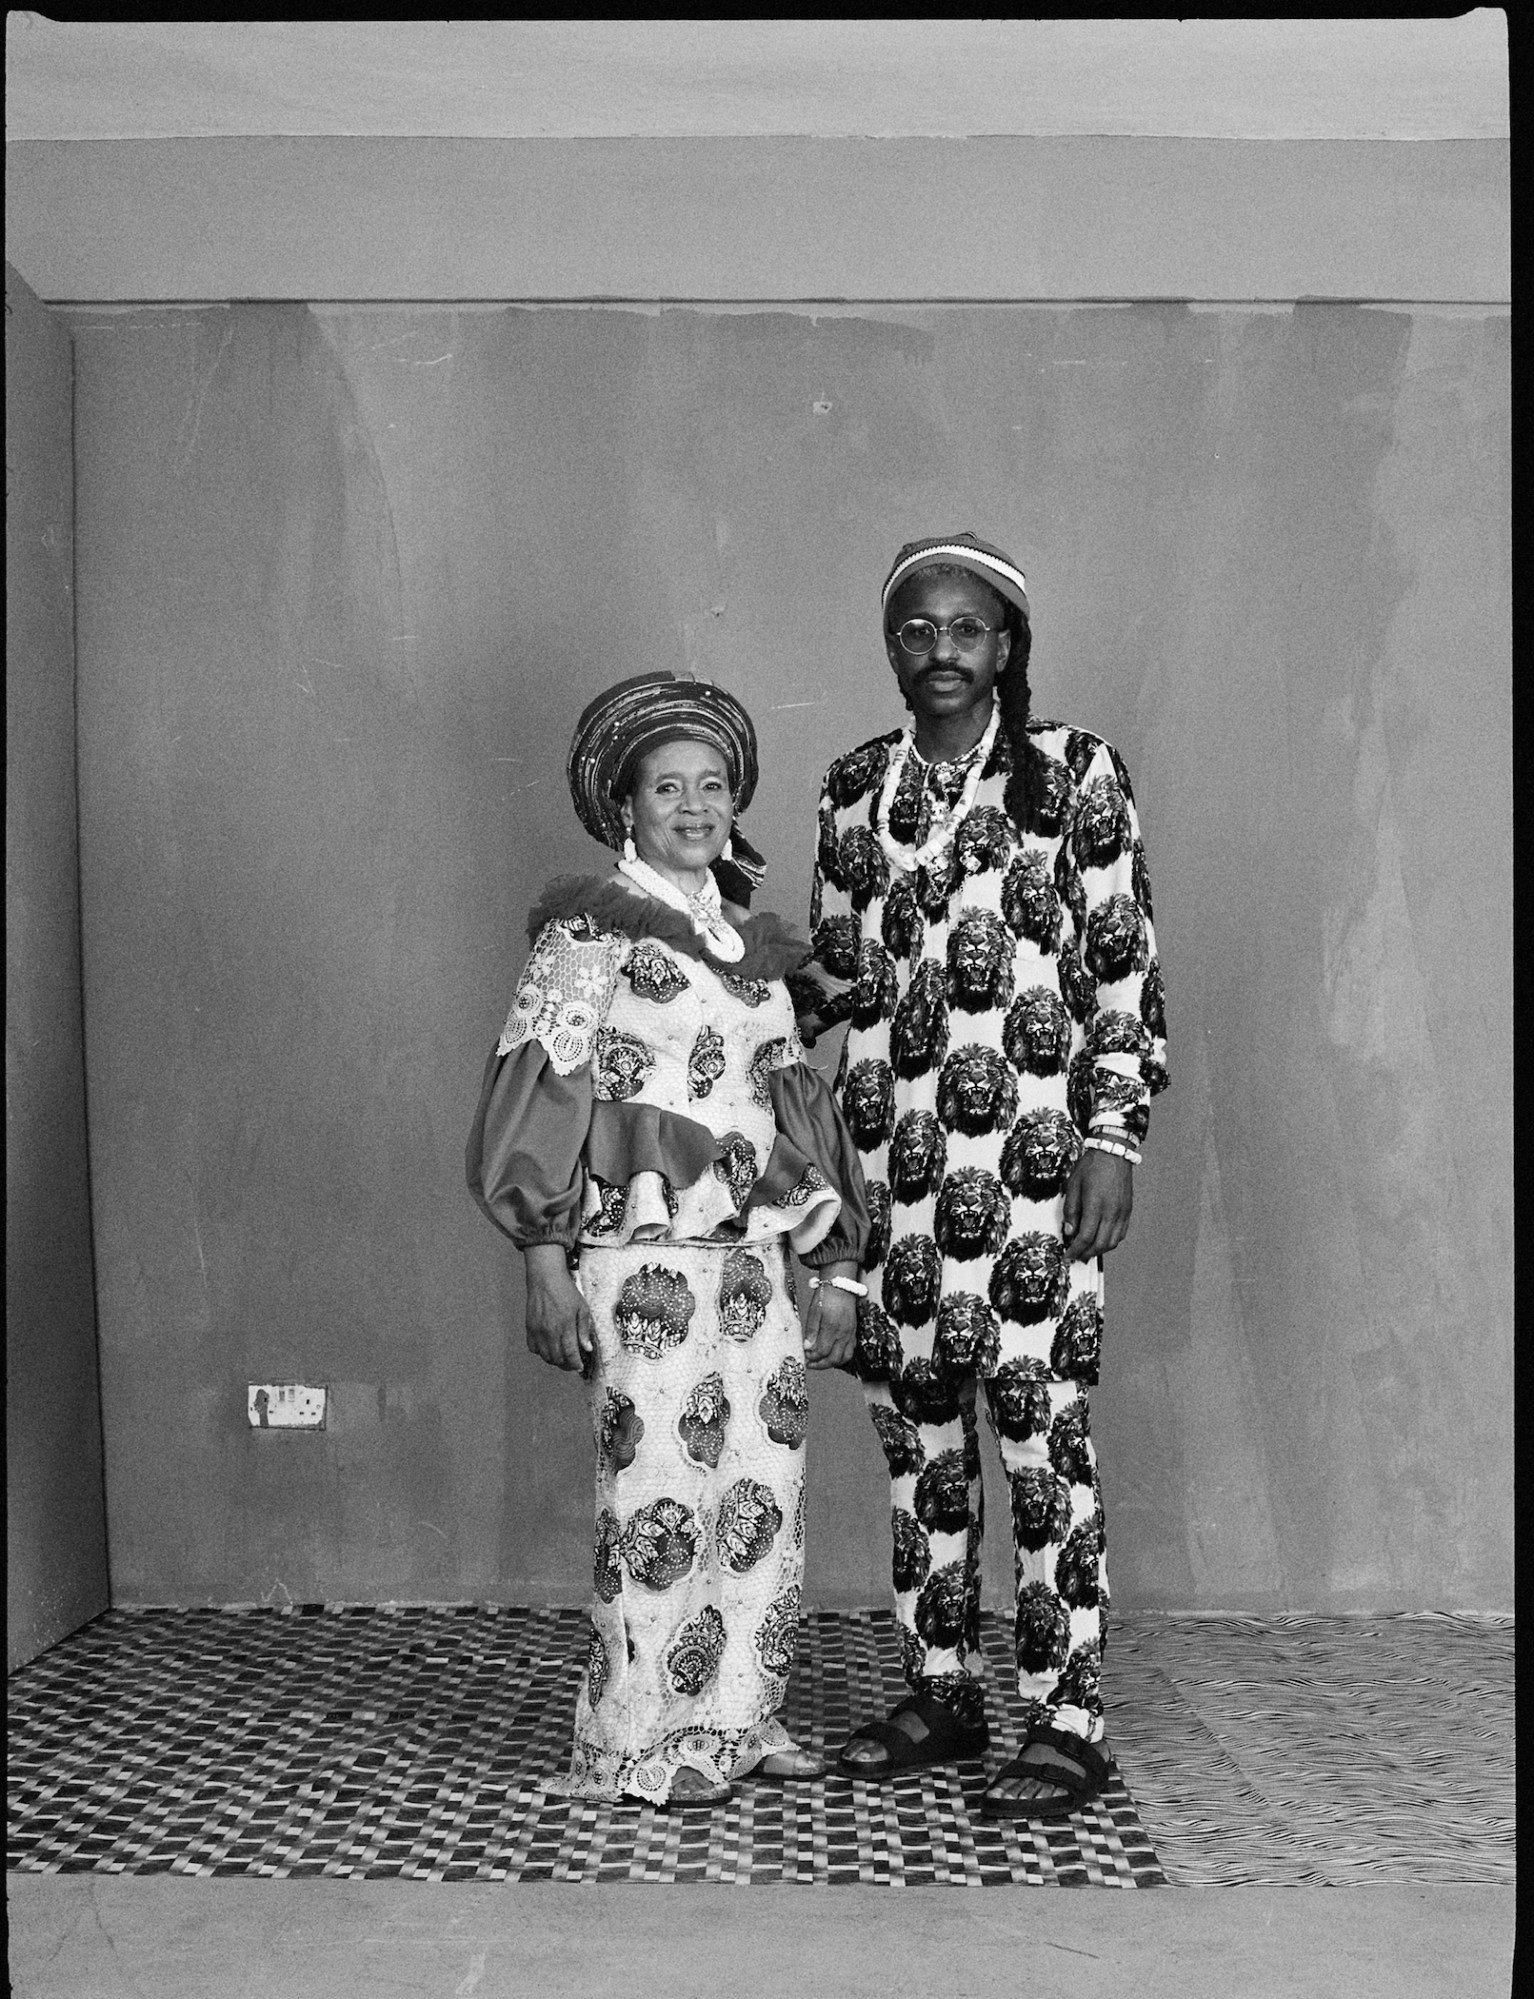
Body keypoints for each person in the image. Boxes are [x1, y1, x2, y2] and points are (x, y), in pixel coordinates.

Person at [790, 533, 1168, 1822]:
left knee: (1043, 1447)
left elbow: (1122, 974)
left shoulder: (1074, 774)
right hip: (894, 1182)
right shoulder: (850, 790)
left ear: (1004, 644)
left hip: (1035, 1177)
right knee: (920, 1453)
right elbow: (834, 985)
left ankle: (1069, 1719)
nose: (939, 651)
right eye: (915, 631)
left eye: (964, 630)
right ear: (890, 646)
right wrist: (717, 966)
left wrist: (1112, 1141)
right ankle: (940, 1690)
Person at [468, 671, 870, 1809]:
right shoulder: (586, 935)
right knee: (654, 1496)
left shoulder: (752, 946)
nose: (693, 805)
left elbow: (795, 1112)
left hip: (753, 1267)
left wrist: (828, 1262)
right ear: (625, 805)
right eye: (667, 787)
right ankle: (635, 1742)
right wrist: (541, 1263)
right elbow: (536, 1095)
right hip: (638, 1263)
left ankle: (738, 1721)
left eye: (712, 785)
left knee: (759, 1490)